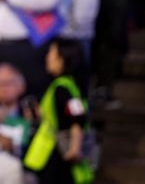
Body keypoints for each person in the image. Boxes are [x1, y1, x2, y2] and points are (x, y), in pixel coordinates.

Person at [24, 40, 94, 184]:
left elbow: (76, 119)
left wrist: (74, 148)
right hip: (52, 154)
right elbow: (55, 117)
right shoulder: (61, 86)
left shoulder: (64, 88)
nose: (47, 57)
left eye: (52, 53)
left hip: (61, 155)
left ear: (63, 59)